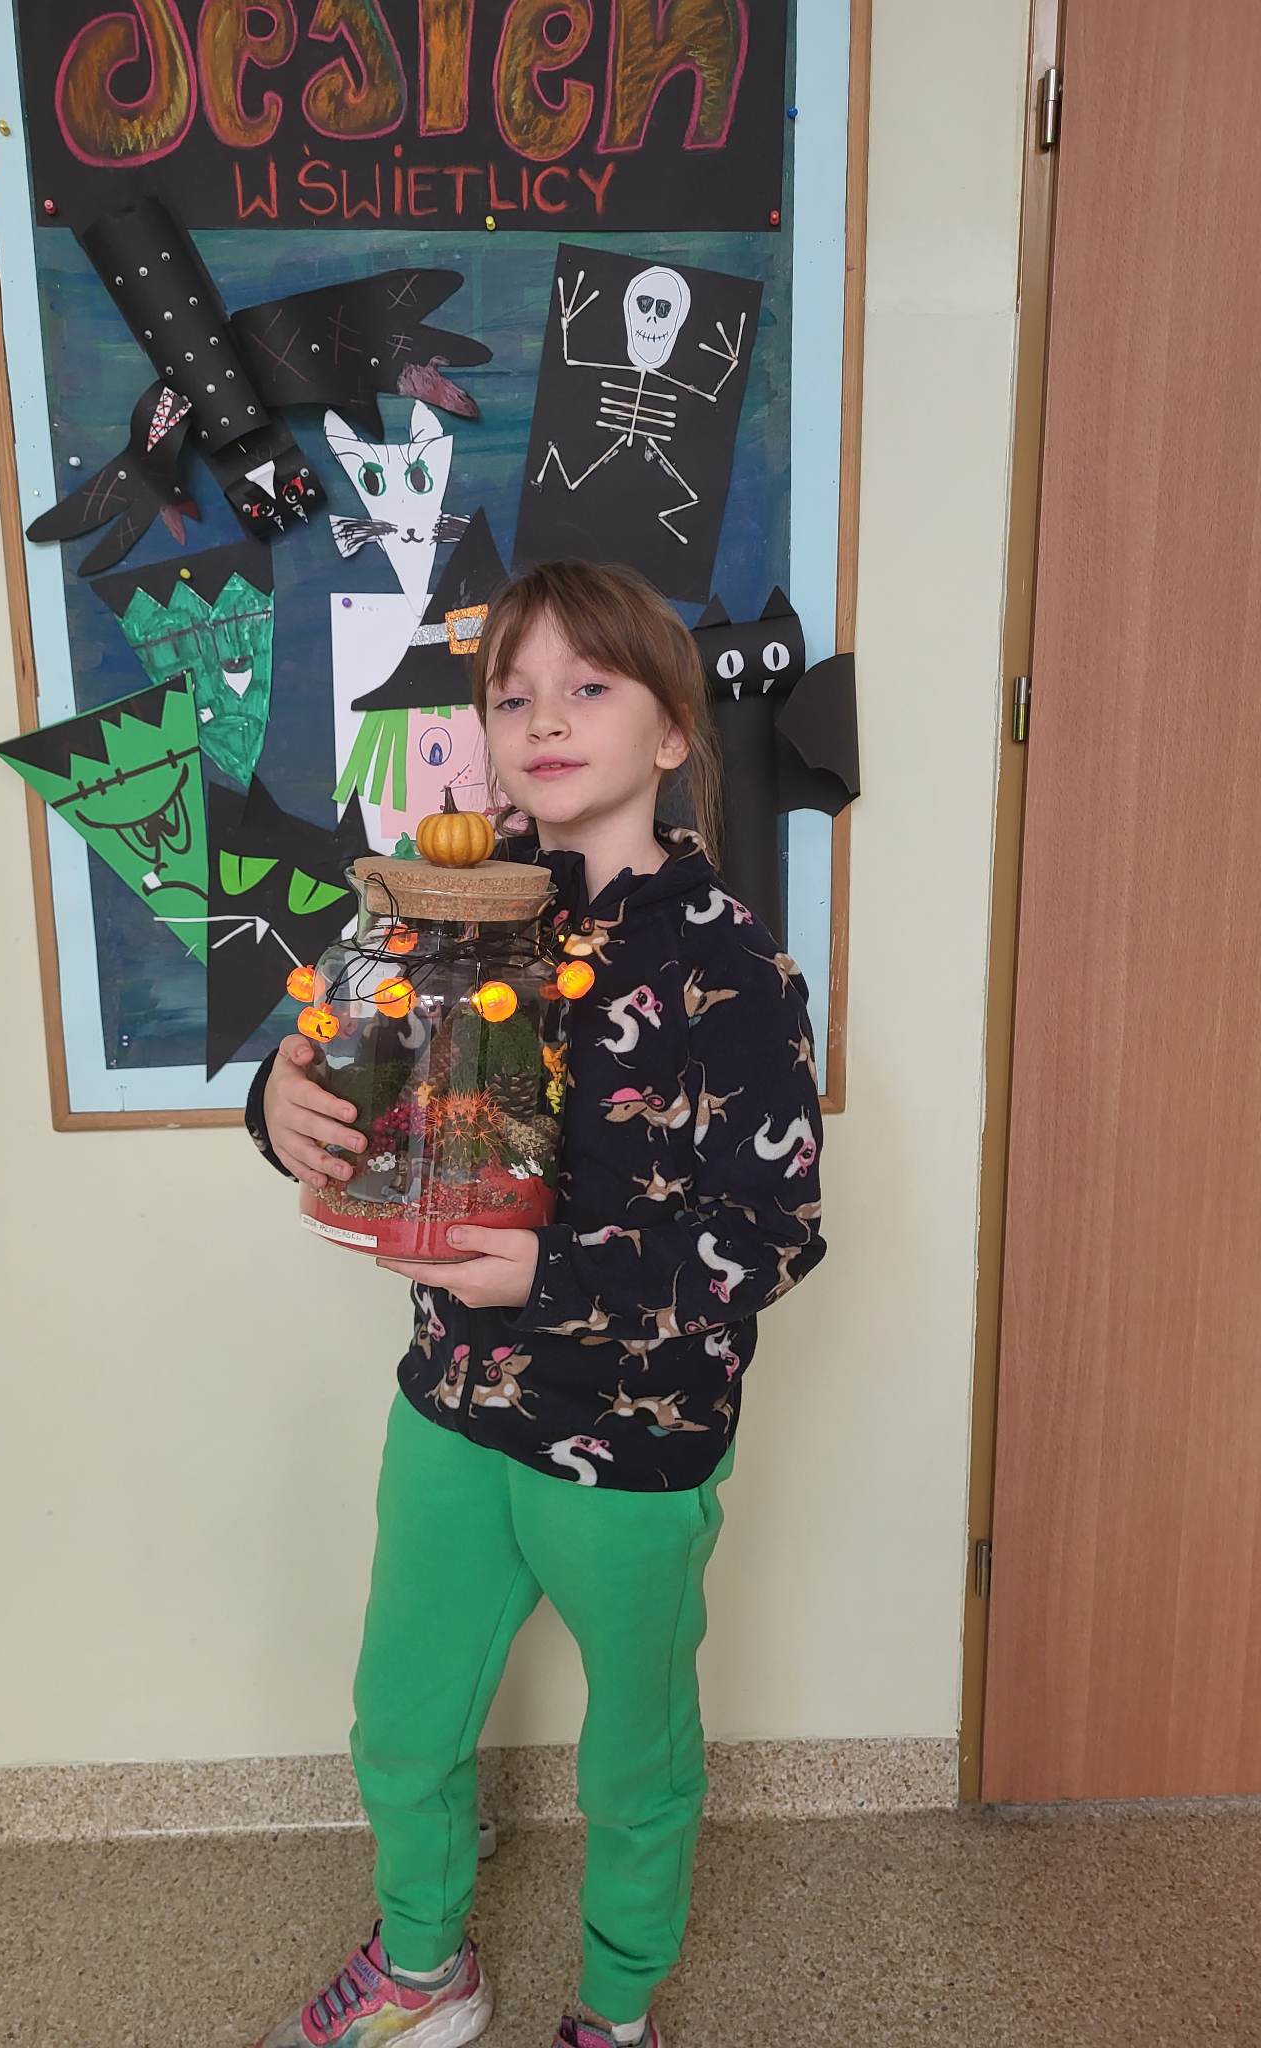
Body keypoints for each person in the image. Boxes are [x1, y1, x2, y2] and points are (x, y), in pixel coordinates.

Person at [244, 560, 826, 2048]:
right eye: (512, 698)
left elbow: (771, 1236)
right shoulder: (446, 912)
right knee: (403, 1715)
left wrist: (551, 1274)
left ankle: (615, 2008)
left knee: (635, 1753)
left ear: (673, 731)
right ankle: (424, 1969)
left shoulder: (731, 965)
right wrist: (280, 1106)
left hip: (635, 1444)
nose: (544, 720)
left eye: (589, 686)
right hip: (452, 1403)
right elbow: (354, 1063)